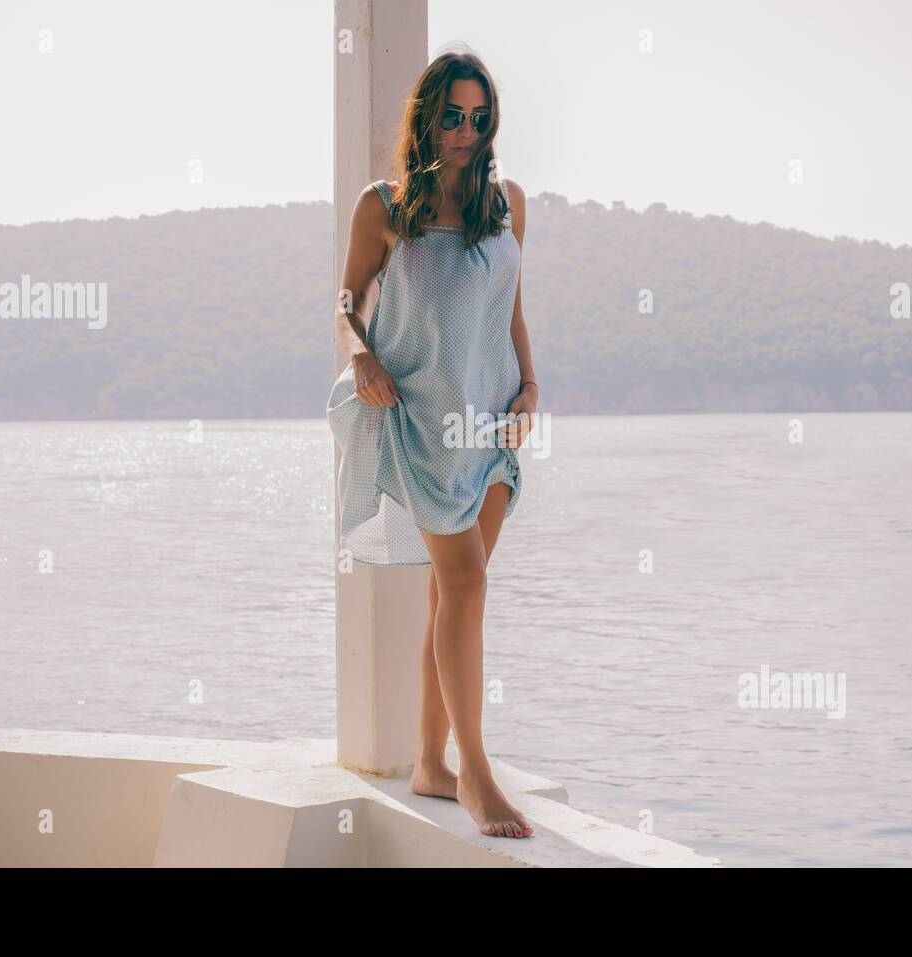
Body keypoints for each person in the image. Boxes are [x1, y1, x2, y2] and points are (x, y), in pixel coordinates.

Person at [326, 49, 538, 838]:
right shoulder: (382, 206)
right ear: (425, 116)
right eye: (451, 114)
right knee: (468, 586)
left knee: (453, 594)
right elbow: (347, 299)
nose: (465, 130)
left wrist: (532, 386)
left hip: (493, 424)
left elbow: (511, 308)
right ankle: (477, 775)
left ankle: (428, 762)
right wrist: (360, 351)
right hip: (421, 421)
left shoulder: (507, 201)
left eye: (479, 117)